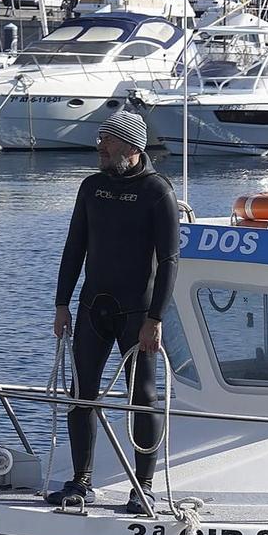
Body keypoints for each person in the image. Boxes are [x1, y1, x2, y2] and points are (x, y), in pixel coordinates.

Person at [49, 110, 179, 513]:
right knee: (80, 393)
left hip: (137, 312)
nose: (100, 148)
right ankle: (81, 480)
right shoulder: (92, 187)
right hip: (92, 306)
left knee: (143, 396)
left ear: (132, 147)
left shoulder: (157, 190)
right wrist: (61, 303)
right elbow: (75, 248)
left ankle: (143, 488)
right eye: (101, 140)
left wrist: (156, 319)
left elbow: (170, 259)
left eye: (107, 141)